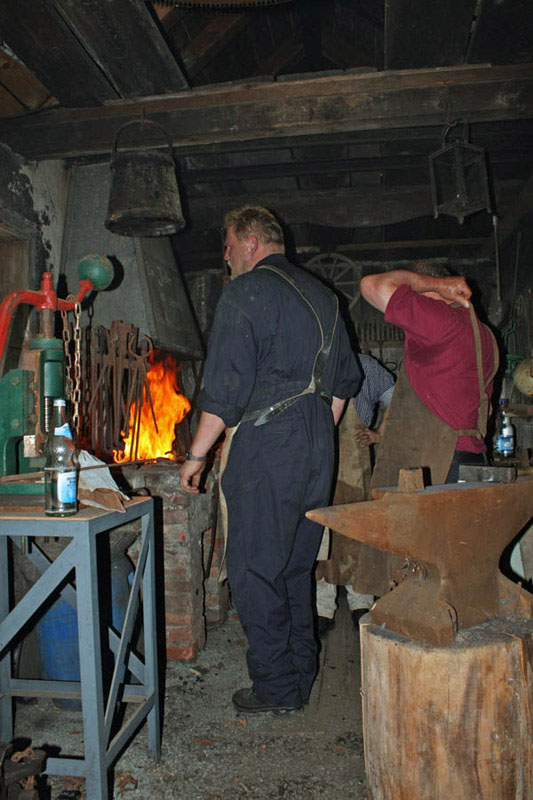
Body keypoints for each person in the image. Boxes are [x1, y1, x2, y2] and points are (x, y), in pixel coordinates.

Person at [180, 206, 359, 714]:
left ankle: (278, 689)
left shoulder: (246, 292)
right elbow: (344, 385)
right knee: (296, 566)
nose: (227, 259)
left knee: (255, 568)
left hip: (270, 443)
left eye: (229, 248)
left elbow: (224, 393)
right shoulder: (325, 297)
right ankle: (302, 671)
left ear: (250, 243)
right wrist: (317, 430)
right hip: (320, 439)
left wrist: (196, 456)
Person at [357, 263, 499, 596]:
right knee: (464, 578)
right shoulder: (484, 334)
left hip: (440, 468)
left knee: (426, 587)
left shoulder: (440, 321)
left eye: (418, 288)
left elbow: (371, 286)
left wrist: (430, 284)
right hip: (474, 461)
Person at [316, 354, 394, 636]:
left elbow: (396, 397)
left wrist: (379, 434)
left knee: (356, 531)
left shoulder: (366, 366)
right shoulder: (315, 360)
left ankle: (360, 601)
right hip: (318, 460)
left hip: (355, 464)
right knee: (320, 531)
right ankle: (322, 607)